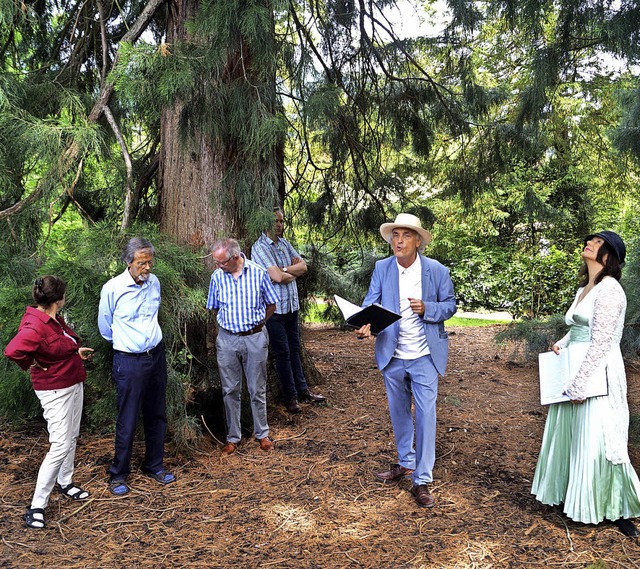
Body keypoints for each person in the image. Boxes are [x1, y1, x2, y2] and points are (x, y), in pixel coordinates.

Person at [531, 231, 640, 537]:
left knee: (601, 438)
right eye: (590, 240)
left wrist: (581, 383)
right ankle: (574, 496)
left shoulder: (610, 289)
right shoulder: (586, 287)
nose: (589, 243)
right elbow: (580, 328)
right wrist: (561, 344)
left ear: (609, 256)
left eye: (598, 243)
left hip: (598, 372)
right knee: (575, 435)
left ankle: (617, 507)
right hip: (574, 366)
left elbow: (603, 341)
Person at [355, 213, 456, 508]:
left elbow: (450, 305)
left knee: (425, 415)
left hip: (425, 355)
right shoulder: (382, 268)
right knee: (399, 412)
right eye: (394, 236)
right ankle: (405, 462)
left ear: (418, 241)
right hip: (392, 353)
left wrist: (428, 307)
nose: (398, 241)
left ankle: (422, 479)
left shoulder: (436, 271)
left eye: (405, 236)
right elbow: (370, 302)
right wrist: (365, 324)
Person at [5, 276, 94, 529]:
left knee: (72, 437)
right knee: (59, 445)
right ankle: (36, 506)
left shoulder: (53, 319)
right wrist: (31, 363)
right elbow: (13, 351)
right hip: (56, 390)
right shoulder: (35, 326)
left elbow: (52, 347)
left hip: (72, 381)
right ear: (59, 300)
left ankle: (65, 482)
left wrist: (74, 352)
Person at [98, 237, 175, 496]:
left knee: (157, 414)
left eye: (150, 262)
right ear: (129, 262)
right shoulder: (113, 288)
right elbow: (105, 327)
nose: (147, 268)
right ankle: (119, 474)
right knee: (128, 419)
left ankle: (154, 465)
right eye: (142, 263)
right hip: (129, 361)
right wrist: (127, 343)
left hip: (156, 356)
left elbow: (154, 314)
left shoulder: (154, 283)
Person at [207, 238, 280, 455]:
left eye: (221, 262)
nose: (218, 266)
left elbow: (272, 303)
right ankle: (232, 437)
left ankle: (262, 434)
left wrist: (258, 325)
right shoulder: (217, 277)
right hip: (227, 339)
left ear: (236, 257)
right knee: (230, 389)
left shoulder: (258, 273)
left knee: (257, 387)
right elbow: (214, 307)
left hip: (254, 338)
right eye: (216, 262)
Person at [251, 207, 326, 413]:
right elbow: (275, 277)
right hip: (274, 309)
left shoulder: (284, 244)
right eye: (276, 221)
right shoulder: (259, 248)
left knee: (294, 348)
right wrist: (288, 272)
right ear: (267, 223)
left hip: (291, 305)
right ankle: (290, 398)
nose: (280, 225)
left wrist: (284, 271)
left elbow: (303, 267)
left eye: (282, 222)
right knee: (282, 352)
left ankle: (303, 390)